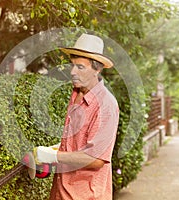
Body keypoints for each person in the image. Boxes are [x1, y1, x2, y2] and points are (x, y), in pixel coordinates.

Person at [34, 33, 119, 200]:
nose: (73, 72)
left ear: (97, 69)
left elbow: (95, 159)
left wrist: (52, 156)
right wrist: (59, 147)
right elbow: (80, 139)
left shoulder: (106, 106)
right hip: (62, 191)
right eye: (72, 65)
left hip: (86, 195)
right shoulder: (76, 94)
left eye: (80, 67)